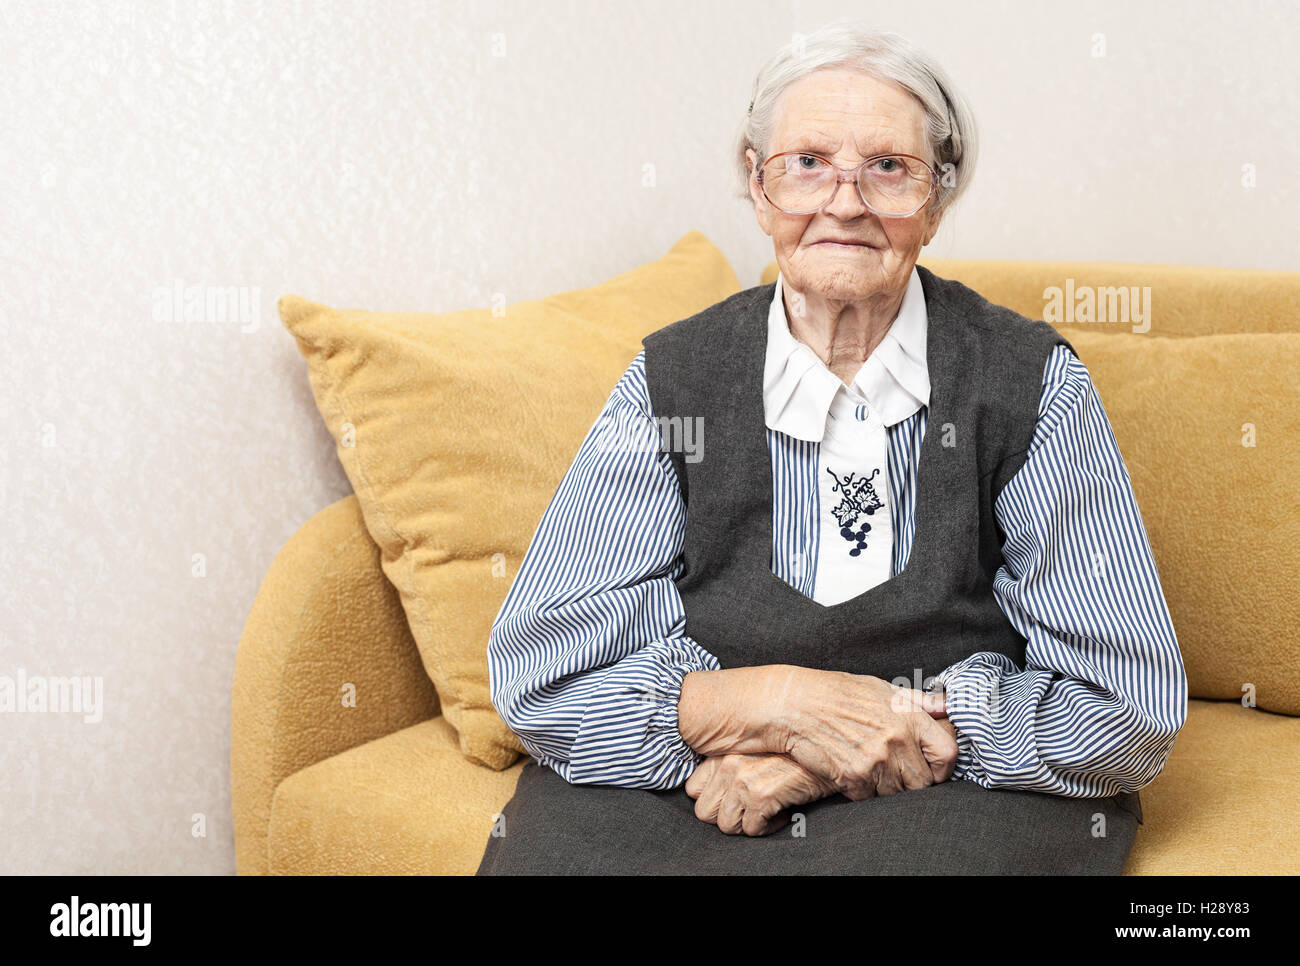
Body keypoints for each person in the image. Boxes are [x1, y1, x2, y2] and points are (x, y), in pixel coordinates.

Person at [478, 21, 1187, 875]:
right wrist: (775, 704)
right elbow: (540, 672)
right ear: (757, 183)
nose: (844, 202)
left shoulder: (1029, 384)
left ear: (938, 197)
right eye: (807, 162)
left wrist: (831, 750)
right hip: (696, 780)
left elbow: (1129, 709)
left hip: (952, 790)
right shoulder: (673, 378)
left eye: (889, 167)